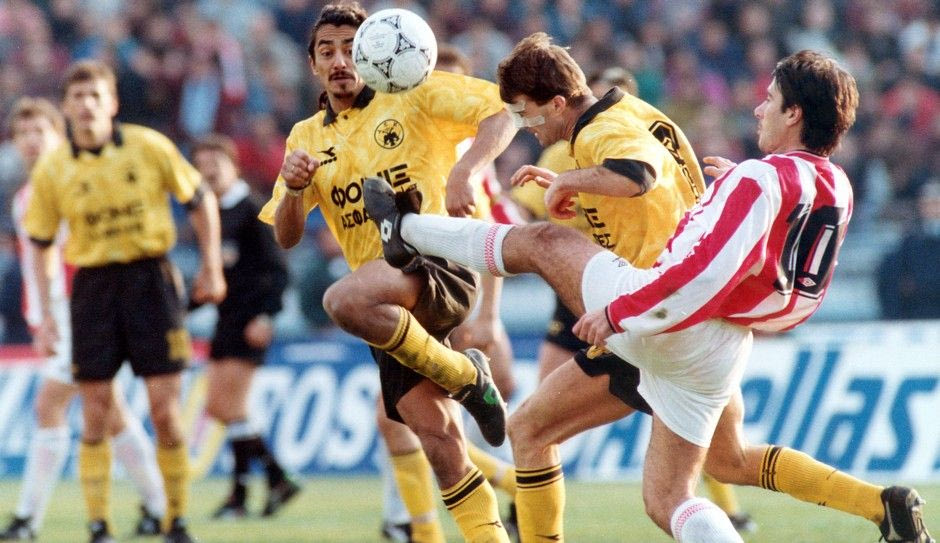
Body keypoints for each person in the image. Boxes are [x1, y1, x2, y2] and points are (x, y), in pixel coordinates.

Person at [365, 44, 933, 543]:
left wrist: (621, 311)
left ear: (794, 113)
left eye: (770, 100)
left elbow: (663, 210)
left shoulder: (742, 172)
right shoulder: (832, 184)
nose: (759, 108)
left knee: (543, 251)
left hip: (659, 312)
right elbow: (775, 267)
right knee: (693, 483)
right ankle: (880, 505)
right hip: (722, 341)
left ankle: (407, 229)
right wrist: (726, 197)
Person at [258, 4, 517, 542]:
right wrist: (295, 190)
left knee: (341, 301)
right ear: (312, 65)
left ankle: (466, 378)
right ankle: (468, 388)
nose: (339, 61)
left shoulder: (413, 92)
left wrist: (467, 169)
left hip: (437, 264)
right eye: (326, 51)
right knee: (441, 444)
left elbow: (503, 112)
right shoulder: (305, 137)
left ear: (374, 53)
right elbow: (286, 236)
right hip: (388, 306)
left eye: (350, 49)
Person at [511, 64, 757, 534]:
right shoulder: (636, 119)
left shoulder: (604, 130)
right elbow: (635, 200)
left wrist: (567, 182)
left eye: (525, 113)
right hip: (669, 301)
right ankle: (877, 503)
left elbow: (636, 176)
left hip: (644, 303)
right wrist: (567, 185)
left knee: (532, 430)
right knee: (727, 461)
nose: (526, 125)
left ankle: (514, 509)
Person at [23, 60, 226, 543]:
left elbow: (200, 200)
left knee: (165, 411)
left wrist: (212, 265)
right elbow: (40, 243)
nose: (87, 105)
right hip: (92, 288)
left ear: (112, 103)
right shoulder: (54, 168)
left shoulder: (148, 146)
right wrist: (47, 315)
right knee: (96, 409)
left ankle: (176, 520)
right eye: (78, 97)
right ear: (66, 108)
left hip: (150, 280)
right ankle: (99, 524)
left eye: (96, 96)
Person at [0, 97, 167, 541]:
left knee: (50, 405)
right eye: (23, 134)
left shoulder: (77, 181)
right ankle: (160, 507)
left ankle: (27, 519)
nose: (31, 141)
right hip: (61, 314)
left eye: (40, 131)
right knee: (111, 411)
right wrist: (39, 318)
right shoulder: (24, 198)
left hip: (86, 308)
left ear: (59, 135)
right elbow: (35, 265)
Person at [376, 43, 520, 543]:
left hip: (450, 289)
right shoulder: (404, 141)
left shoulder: (468, 160)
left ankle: (420, 524)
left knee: (414, 419)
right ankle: (414, 518)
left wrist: (490, 316)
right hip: (411, 286)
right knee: (409, 420)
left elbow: (493, 233)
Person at [190, 134, 298, 520]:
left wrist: (267, 315)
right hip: (225, 319)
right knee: (223, 409)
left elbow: (279, 269)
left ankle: (247, 492)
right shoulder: (209, 213)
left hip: (250, 319)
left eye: (215, 163)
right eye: (201, 166)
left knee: (228, 407)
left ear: (234, 166)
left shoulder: (253, 209)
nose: (208, 172)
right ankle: (271, 482)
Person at [877, 180, 940, 319]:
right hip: (917, 315)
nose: (932, 209)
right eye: (927, 204)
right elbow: (894, 279)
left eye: (936, 203)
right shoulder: (910, 242)